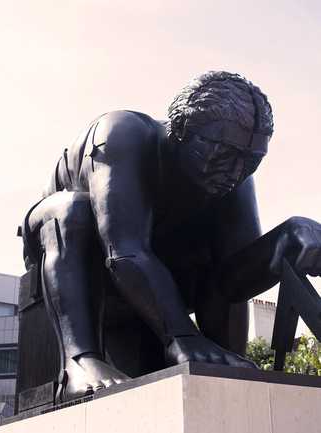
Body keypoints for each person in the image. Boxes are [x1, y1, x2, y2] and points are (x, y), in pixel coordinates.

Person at [22, 71, 321, 402]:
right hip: (75, 255)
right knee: (71, 211)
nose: (236, 172)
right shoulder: (122, 134)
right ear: (181, 131)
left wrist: (285, 242)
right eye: (224, 153)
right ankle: (79, 363)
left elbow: (233, 279)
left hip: (159, 264)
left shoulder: (233, 176)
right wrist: (182, 336)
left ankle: (224, 361)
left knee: (214, 247)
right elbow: (124, 250)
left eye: (251, 161)